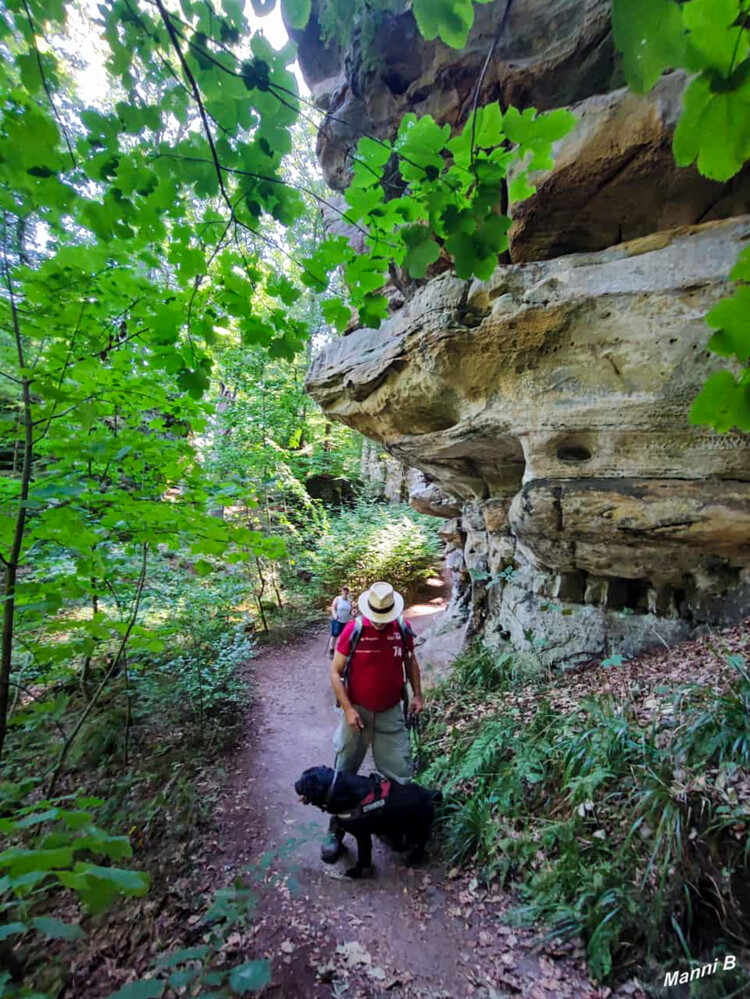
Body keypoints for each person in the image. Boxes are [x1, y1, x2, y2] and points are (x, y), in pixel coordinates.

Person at [321, 581, 424, 863]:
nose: (380, 624)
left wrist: (417, 695)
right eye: (376, 618)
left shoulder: (401, 630)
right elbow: (335, 672)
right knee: (343, 770)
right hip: (357, 712)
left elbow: (411, 661)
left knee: (400, 773)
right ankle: (336, 830)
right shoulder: (353, 631)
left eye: (384, 618)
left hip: (391, 710)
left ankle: (392, 824)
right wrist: (348, 709)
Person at [328, 585, 353, 658]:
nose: (345, 591)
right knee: (334, 635)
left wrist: (353, 613)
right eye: (344, 590)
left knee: (344, 637)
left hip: (346, 622)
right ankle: (331, 651)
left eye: (346, 590)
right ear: (342, 591)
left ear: (348, 592)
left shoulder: (349, 601)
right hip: (337, 620)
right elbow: (333, 608)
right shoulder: (337, 599)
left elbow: (350, 611)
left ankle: (342, 652)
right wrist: (335, 615)